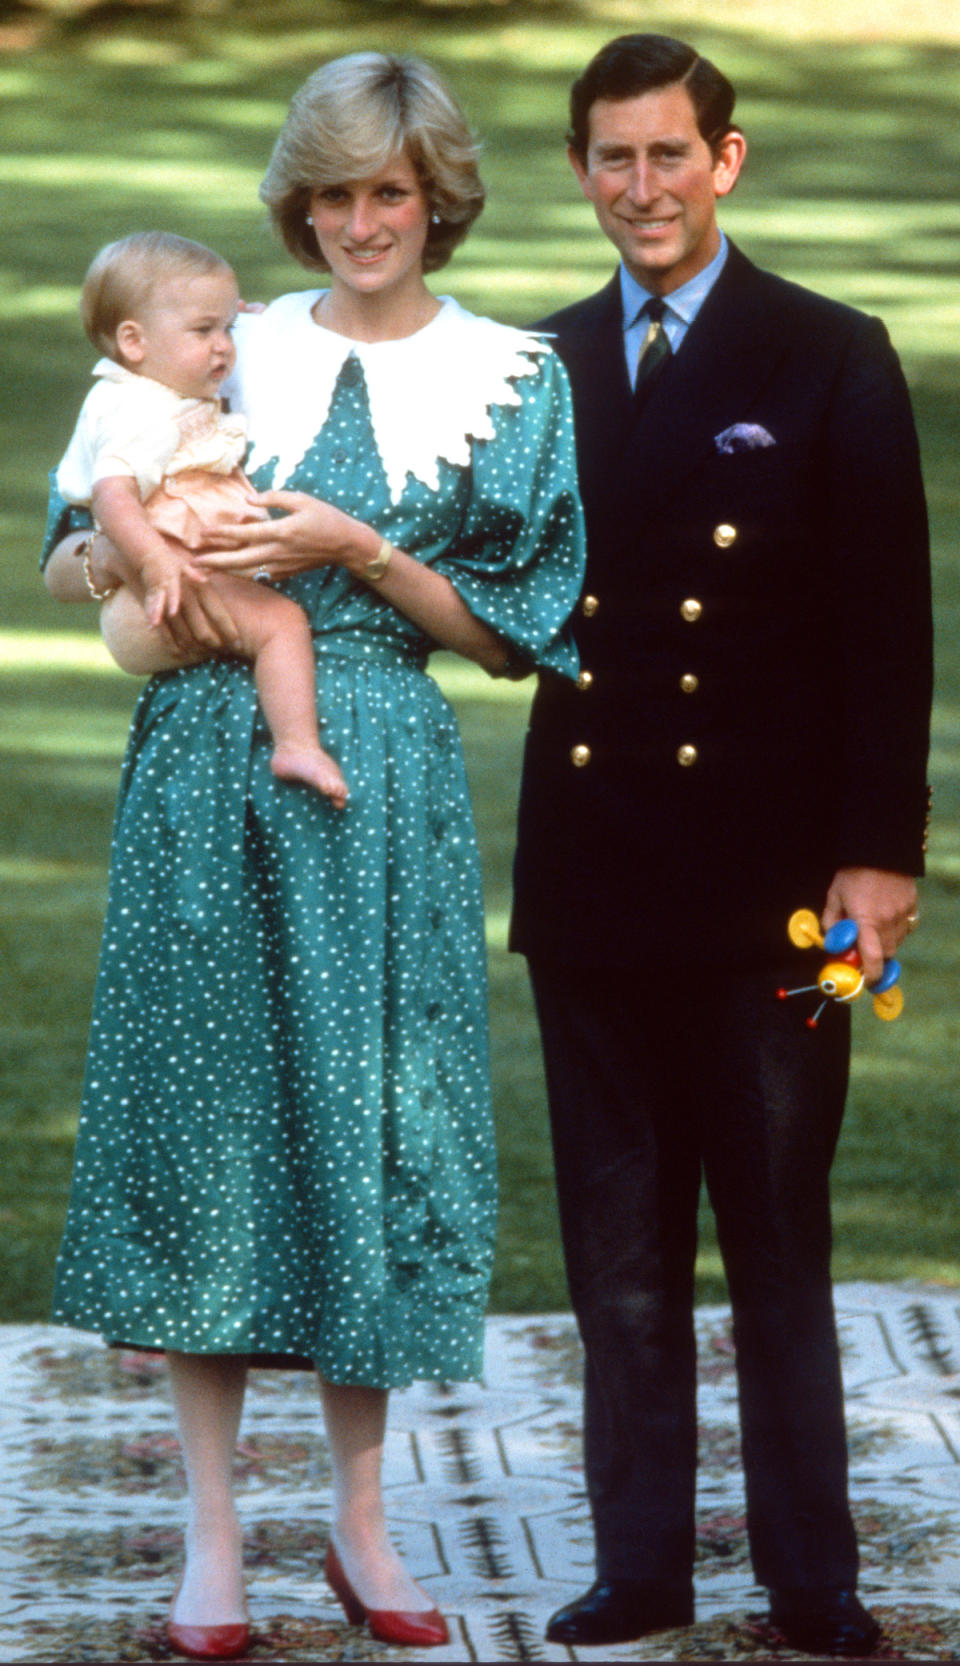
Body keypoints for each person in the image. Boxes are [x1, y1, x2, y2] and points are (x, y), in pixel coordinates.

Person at [42, 51, 584, 1661]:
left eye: (391, 193)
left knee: (370, 1120)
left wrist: (358, 545)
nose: (361, 223)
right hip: (204, 751)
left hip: (375, 767)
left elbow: (514, 634)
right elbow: (78, 529)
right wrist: (106, 565)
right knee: (208, 1120)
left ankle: (360, 1518)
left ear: (439, 203)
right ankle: (212, 1537)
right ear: (301, 202)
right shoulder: (217, 340)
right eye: (336, 193)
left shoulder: (514, 377)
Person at [510, 32, 932, 1658]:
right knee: (617, 1254)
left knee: (775, 1238)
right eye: (613, 159)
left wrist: (879, 857)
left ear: (728, 161)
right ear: (582, 173)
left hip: (775, 887)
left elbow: (887, 634)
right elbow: (495, 599)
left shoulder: (828, 353)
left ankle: (812, 1579)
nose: (643, 189)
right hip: (598, 877)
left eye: (670, 155)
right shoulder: (535, 369)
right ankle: (642, 1571)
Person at [57, 230, 348, 805]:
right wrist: (155, 561)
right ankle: (297, 744)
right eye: (203, 331)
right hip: (161, 595)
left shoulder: (148, 389)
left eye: (228, 329)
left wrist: (237, 324)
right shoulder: (139, 411)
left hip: (165, 591)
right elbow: (113, 495)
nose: (223, 347)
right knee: (282, 624)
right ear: (133, 341)